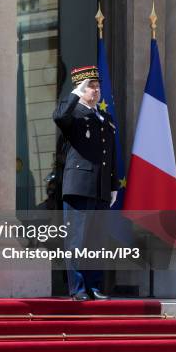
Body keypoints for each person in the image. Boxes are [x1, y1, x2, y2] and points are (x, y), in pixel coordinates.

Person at [52, 66, 117, 301]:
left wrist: (113, 186)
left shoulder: (105, 119)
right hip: (79, 185)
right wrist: (75, 95)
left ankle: (94, 285)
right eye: (91, 86)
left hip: (100, 187)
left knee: (95, 239)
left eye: (98, 87)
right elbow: (59, 117)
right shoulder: (74, 114)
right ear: (80, 88)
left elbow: (110, 154)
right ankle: (78, 288)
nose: (96, 90)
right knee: (76, 239)